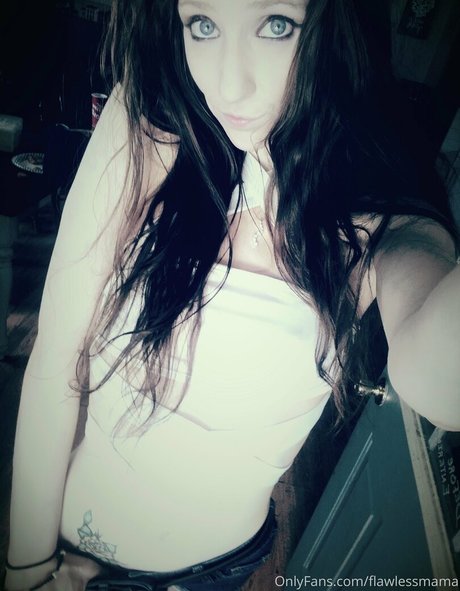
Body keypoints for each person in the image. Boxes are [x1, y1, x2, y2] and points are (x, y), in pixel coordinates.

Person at [4, 0, 460, 589]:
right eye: (203, 24)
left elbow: (444, 387)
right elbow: (55, 356)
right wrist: (27, 568)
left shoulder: (384, 227)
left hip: (214, 572)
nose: (229, 85)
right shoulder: (151, 123)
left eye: (276, 25)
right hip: (63, 554)